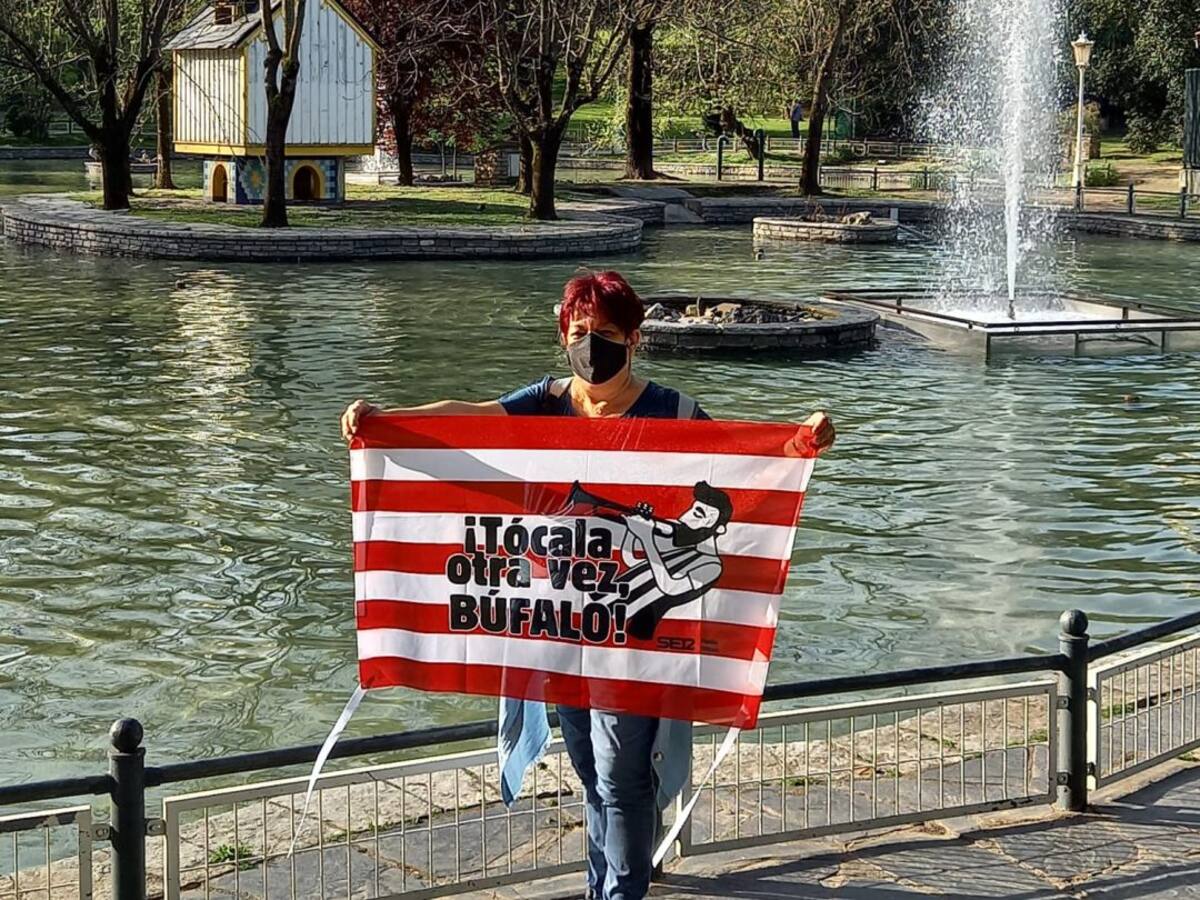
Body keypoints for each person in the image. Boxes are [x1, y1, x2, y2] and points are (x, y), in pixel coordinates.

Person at [341, 271, 835, 900]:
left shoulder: (674, 413)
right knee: (589, 768)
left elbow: (743, 468)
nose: (591, 347)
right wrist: (384, 422)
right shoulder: (545, 401)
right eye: (580, 333)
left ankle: (620, 891)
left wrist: (801, 439)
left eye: (605, 334)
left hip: (633, 634)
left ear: (634, 339)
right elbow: (466, 419)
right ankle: (605, 881)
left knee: (618, 772)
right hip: (558, 620)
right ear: (562, 334)